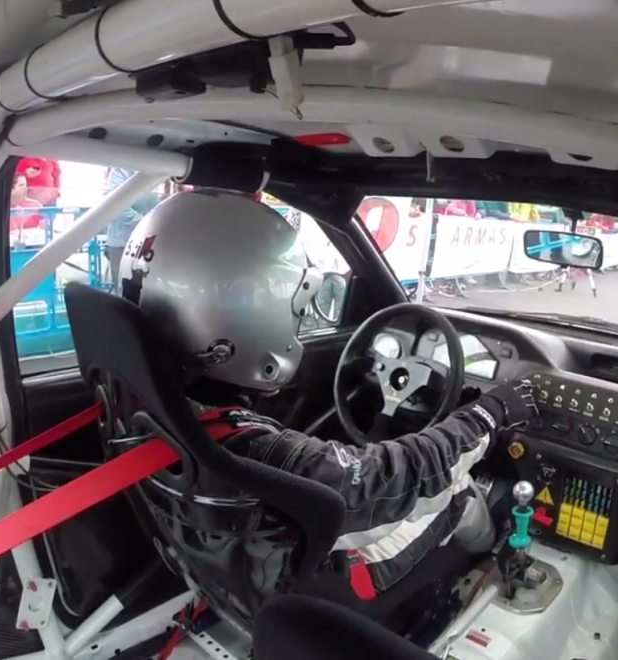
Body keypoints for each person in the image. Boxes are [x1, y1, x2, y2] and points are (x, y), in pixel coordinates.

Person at [118, 190, 540, 601]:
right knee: (459, 489)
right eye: (297, 308)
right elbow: (395, 478)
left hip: (221, 566)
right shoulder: (257, 450)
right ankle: (492, 559)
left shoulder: (138, 394)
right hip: (304, 593)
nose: (299, 319)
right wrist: (490, 412)